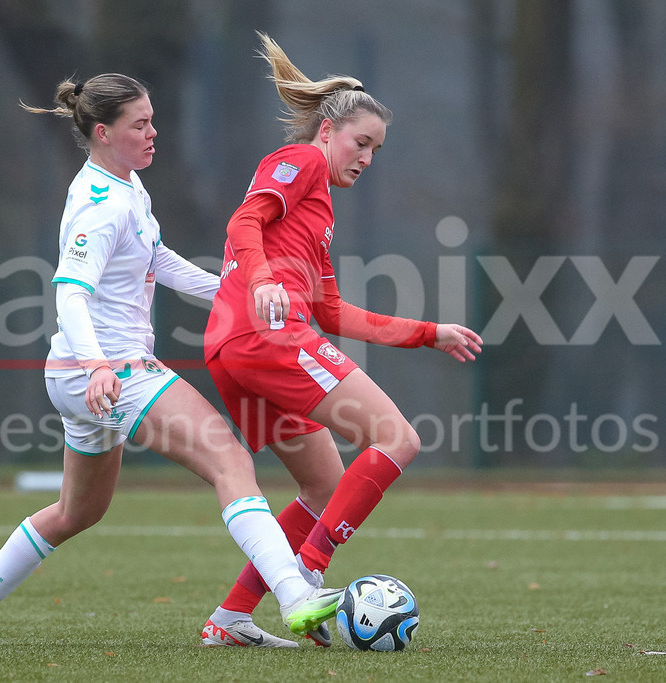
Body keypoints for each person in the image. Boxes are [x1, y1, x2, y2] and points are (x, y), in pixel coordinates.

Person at [0, 73, 343, 647]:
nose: (154, 133)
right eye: (139, 124)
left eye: (153, 119)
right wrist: (99, 365)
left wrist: (238, 289)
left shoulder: (125, 187)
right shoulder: (100, 205)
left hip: (79, 376)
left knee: (77, 511)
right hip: (108, 371)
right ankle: (296, 597)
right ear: (103, 132)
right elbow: (70, 291)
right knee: (230, 461)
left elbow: (160, 260)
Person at [199, 34, 483, 648]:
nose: (367, 157)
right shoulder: (299, 161)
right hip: (264, 336)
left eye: (377, 149)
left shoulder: (320, 213)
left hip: (235, 350)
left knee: (323, 485)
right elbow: (243, 220)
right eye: (361, 143)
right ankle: (308, 570)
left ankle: (231, 619)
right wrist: (266, 279)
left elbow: (333, 313)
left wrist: (427, 333)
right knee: (398, 438)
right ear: (327, 132)